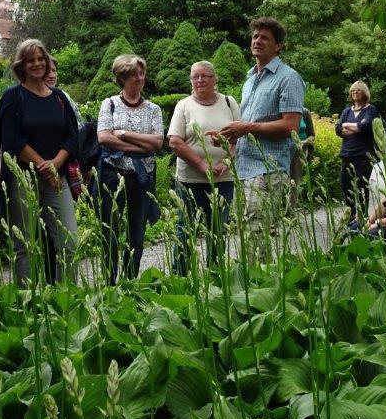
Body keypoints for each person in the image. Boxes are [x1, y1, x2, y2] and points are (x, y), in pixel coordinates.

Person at [0, 39, 79, 285]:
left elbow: (72, 137)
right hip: (23, 178)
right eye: (31, 60)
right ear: (22, 65)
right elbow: (11, 139)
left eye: (41, 59)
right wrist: (43, 165)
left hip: (57, 178)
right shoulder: (13, 97)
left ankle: (66, 296)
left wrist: (55, 164)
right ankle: (27, 299)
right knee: (25, 245)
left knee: (69, 241)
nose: (37, 64)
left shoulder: (59, 98)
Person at [214, 17, 304, 252]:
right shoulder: (250, 80)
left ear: (278, 46)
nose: (258, 41)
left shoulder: (288, 77)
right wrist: (230, 135)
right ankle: (255, 276)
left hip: (267, 170)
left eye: (265, 38)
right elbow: (251, 125)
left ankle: (261, 277)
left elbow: (291, 127)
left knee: (256, 240)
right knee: (247, 237)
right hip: (244, 169)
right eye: (255, 36)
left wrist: (245, 128)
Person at [167, 61, 240, 274]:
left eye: (205, 76)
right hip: (190, 180)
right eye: (195, 76)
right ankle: (181, 277)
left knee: (218, 230)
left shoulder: (229, 102)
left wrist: (226, 162)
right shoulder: (184, 105)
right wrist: (202, 164)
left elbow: (239, 137)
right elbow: (174, 141)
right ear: (191, 80)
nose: (200, 80)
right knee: (186, 230)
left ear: (215, 79)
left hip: (223, 180)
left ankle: (216, 276)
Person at [96, 54, 163, 283]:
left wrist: (124, 134)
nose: (140, 78)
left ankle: (131, 282)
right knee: (110, 231)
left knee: (137, 233)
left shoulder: (153, 109)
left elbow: (157, 142)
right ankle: (109, 283)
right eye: (134, 74)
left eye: (142, 73)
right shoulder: (110, 104)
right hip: (112, 174)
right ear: (122, 78)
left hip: (143, 176)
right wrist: (140, 146)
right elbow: (104, 138)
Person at [336, 80, 384, 231]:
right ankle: (351, 215)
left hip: (363, 155)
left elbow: (365, 126)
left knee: (362, 188)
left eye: (358, 90)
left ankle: (361, 218)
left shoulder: (370, 109)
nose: (355, 92)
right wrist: (355, 128)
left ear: (365, 93)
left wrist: (347, 125)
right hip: (347, 154)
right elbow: (338, 129)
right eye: (353, 90)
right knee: (346, 186)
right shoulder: (347, 111)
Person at [45, 55, 84, 126]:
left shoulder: (63, 95)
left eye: (54, 71)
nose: (52, 76)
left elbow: (79, 124)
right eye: (47, 71)